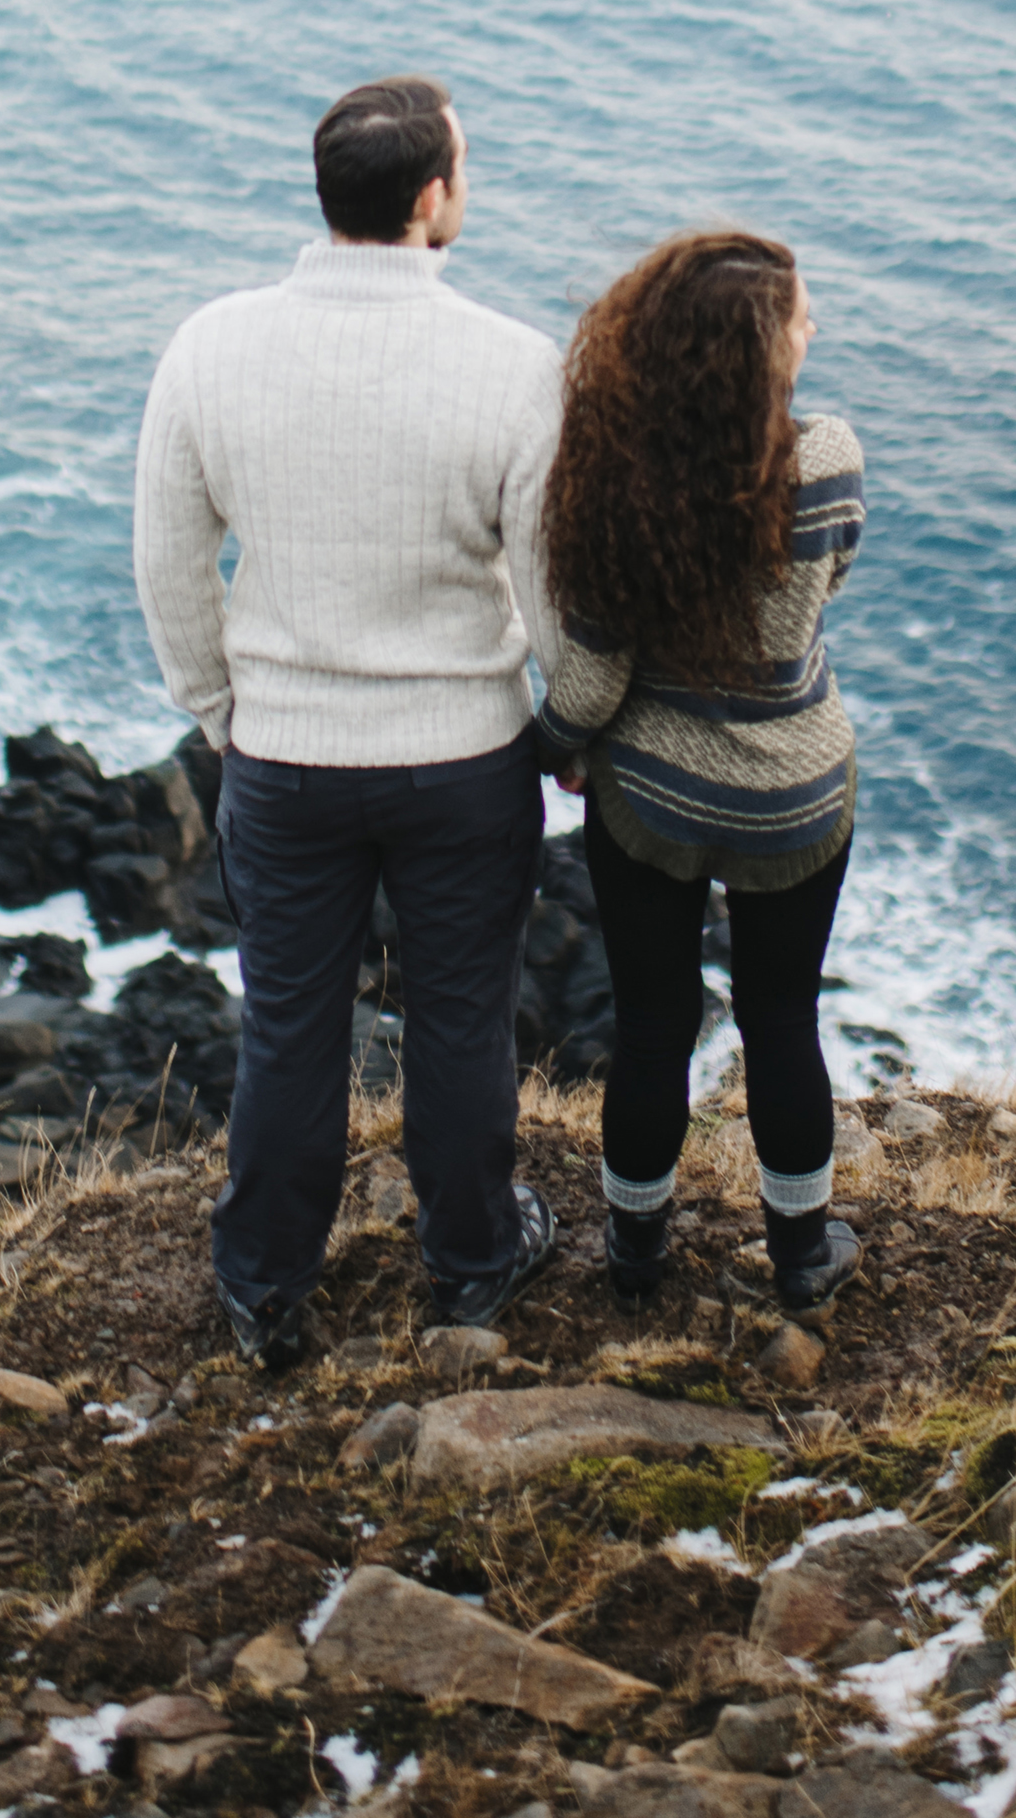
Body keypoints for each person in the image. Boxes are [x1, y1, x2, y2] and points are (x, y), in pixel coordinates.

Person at [134, 75, 563, 1371]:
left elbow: (169, 560)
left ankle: (265, 1286)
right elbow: (551, 592)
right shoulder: (511, 362)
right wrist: (569, 725)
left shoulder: (213, 343)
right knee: (459, 1023)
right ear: (432, 198)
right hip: (464, 758)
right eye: (465, 169)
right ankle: (475, 1262)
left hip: (285, 757)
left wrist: (219, 708)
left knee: (290, 1027)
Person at [535, 230, 865, 1310]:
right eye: (799, 318)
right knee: (782, 1018)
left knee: (651, 1022)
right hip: (796, 794)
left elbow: (591, 675)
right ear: (756, 354)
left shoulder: (622, 482)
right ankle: (802, 1256)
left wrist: (557, 747)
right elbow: (826, 587)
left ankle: (636, 1255)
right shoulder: (829, 459)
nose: (812, 329)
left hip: (655, 797)